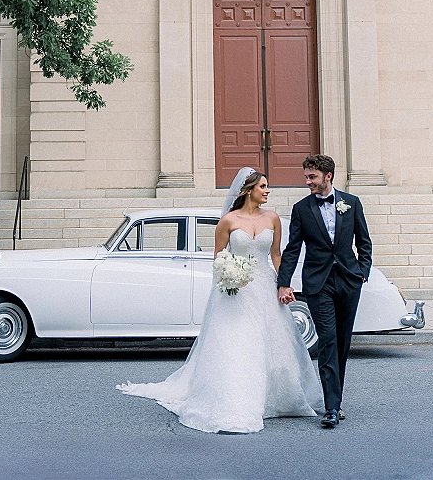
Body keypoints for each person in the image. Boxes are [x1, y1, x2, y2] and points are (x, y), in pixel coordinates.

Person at [117, 168, 322, 433]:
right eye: (263, 186)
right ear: (249, 190)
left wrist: (283, 284)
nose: (268, 191)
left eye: (267, 186)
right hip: (236, 292)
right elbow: (218, 256)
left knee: (273, 342)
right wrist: (231, 276)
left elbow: (275, 255)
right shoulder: (228, 220)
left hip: (264, 287)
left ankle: (277, 399)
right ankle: (236, 400)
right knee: (238, 343)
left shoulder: (272, 219)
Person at [277, 155, 372, 429]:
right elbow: (293, 248)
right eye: (306, 177)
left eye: (312, 177)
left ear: (328, 176)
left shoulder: (351, 204)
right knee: (328, 340)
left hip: (348, 280)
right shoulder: (301, 209)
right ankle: (332, 407)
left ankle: (335, 399)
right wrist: (284, 282)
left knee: (342, 342)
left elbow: (364, 241)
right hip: (318, 284)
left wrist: (362, 271)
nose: (307, 182)